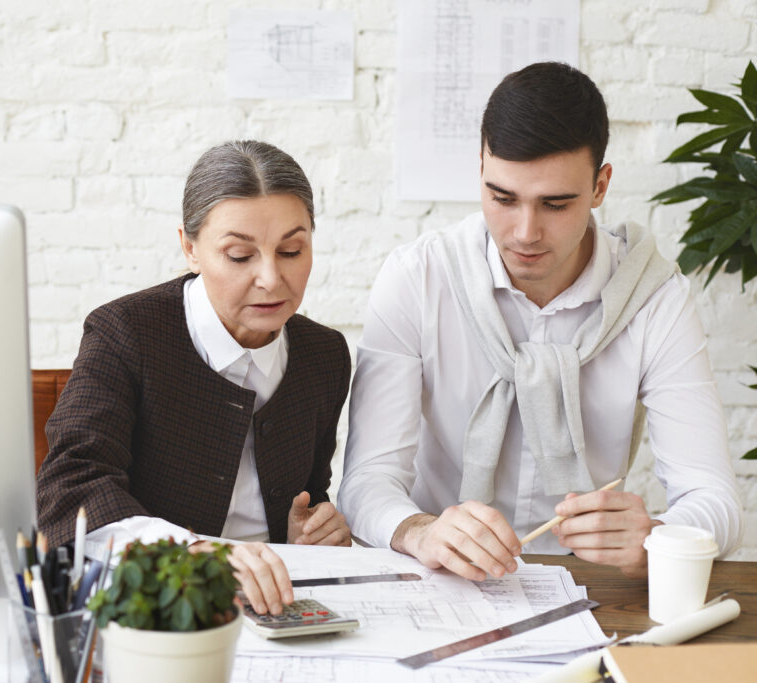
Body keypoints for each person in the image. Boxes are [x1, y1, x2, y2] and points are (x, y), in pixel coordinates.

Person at [339, 62, 742, 581]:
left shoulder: (655, 298)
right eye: (502, 198)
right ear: (480, 167)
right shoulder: (418, 279)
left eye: (556, 203)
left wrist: (658, 536)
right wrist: (420, 531)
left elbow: (716, 500)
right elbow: (366, 481)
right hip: (436, 577)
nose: (525, 232)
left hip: (587, 585)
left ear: (600, 186)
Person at [37, 140, 352, 614]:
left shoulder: (324, 355)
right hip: (151, 607)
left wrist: (305, 534)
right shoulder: (124, 334)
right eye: (240, 256)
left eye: (291, 250)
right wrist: (193, 555)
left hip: (269, 607)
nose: (271, 277)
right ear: (190, 248)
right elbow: (71, 488)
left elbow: (308, 491)